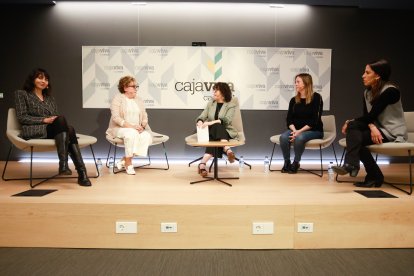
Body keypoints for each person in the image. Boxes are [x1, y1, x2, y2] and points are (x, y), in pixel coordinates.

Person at [332, 59, 407, 187]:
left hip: (391, 132)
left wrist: (354, 122)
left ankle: (360, 169)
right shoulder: (367, 92)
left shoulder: (391, 91)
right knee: (354, 133)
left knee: (354, 136)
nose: (363, 75)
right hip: (377, 129)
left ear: (378, 75)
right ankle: (370, 173)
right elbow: (367, 117)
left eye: (367, 73)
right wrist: (371, 126)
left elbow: (372, 115)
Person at [15, 68, 91, 186]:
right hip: (33, 129)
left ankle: (68, 167)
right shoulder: (22, 94)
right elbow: (22, 117)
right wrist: (43, 119)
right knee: (68, 128)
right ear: (32, 79)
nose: (44, 81)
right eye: (40, 78)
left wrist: (52, 120)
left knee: (68, 128)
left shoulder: (50, 99)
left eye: (46, 79)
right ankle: (80, 173)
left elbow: (54, 117)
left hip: (50, 129)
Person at [106, 76, 152, 175]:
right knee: (131, 133)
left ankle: (124, 160)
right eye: (133, 86)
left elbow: (144, 115)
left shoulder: (139, 99)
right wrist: (132, 127)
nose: (136, 88)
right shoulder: (118, 98)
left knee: (146, 136)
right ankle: (129, 164)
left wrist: (142, 126)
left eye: (136, 86)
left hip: (137, 128)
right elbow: (116, 117)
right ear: (125, 87)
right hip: (120, 128)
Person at [279, 73, 324, 174]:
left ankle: (296, 163)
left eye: (298, 82)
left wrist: (299, 132)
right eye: (295, 82)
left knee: (300, 138)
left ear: (306, 83)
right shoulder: (293, 100)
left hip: (314, 130)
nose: (295, 84)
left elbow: (315, 120)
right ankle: (287, 162)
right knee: (283, 137)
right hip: (296, 130)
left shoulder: (317, 98)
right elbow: (289, 119)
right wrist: (295, 131)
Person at [196, 82, 239, 177]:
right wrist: (200, 121)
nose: (214, 92)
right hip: (212, 131)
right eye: (213, 90)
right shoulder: (210, 104)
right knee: (216, 127)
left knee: (216, 132)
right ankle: (227, 149)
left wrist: (211, 122)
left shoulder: (230, 105)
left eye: (217, 90)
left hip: (225, 131)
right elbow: (202, 116)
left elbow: (226, 120)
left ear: (223, 92)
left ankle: (202, 164)